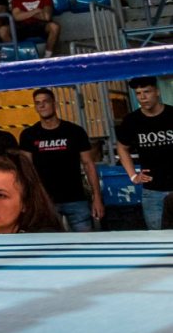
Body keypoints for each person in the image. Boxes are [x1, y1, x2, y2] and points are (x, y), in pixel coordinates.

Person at [19, 88, 103, 232]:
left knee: (85, 242)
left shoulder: (75, 131)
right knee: (50, 244)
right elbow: (26, 170)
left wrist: (97, 198)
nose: (42, 106)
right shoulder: (28, 135)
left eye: (45, 101)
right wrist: (27, 199)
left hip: (76, 198)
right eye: (38, 103)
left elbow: (88, 164)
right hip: (45, 202)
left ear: (55, 104)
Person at [114, 76, 172, 231]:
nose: (142, 97)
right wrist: (133, 176)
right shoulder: (131, 121)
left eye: (147, 92)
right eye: (138, 93)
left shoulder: (172, 114)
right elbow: (122, 147)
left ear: (157, 92)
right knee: (158, 238)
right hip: (153, 191)